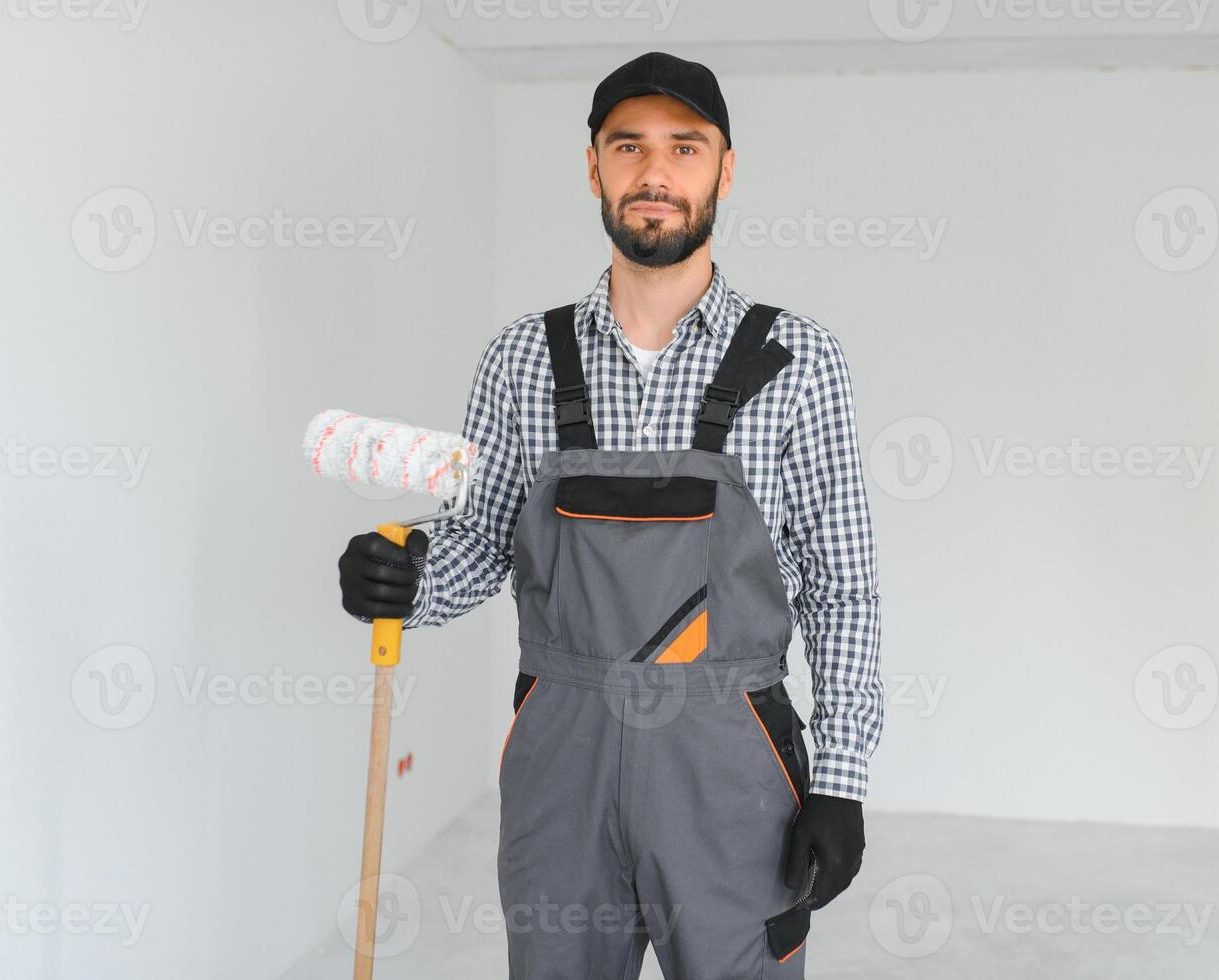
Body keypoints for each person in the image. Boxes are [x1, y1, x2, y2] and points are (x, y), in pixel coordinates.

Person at [338, 50, 882, 980]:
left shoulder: (797, 361)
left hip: (730, 762)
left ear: (724, 168)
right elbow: (480, 543)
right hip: (563, 752)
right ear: (593, 166)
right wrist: (407, 576)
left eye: (685, 147)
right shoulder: (521, 359)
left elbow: (843, 591)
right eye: (627, 147)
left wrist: (840, 781)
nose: (655, 173)